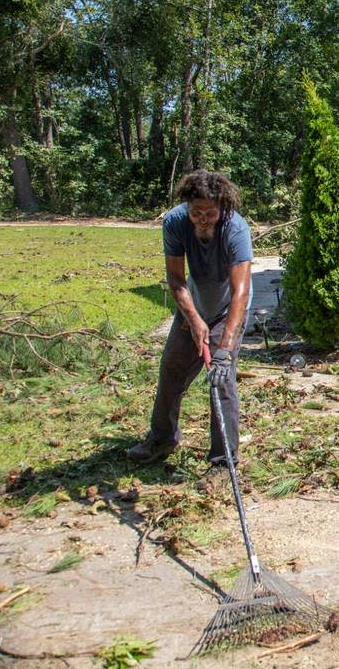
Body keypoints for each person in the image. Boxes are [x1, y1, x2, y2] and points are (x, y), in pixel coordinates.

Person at [128, 170, 253, 467]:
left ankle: (224, 461)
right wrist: (194, 319)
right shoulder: (175, 222)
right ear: (187, 206)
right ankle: (161, 440)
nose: (203, 219)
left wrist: (223, 351)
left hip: (227, 313)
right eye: (197, 212)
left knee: (220, 383)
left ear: (222, 208)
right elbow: (175, 278)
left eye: (210, 212)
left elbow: (241, 294)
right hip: (192, 310)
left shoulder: (235, 229)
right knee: (171, 372)